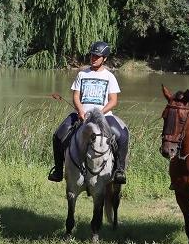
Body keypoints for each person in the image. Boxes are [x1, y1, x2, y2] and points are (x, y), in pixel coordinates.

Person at [48, 41, 129, 184]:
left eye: (97, 56)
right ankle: (59, 170)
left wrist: (100, 113)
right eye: (92, 55)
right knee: (58, 134)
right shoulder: (82, 74)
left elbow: (113, 101)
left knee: (122, 136)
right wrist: (80, 110)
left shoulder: (109, 77)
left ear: (104, 58)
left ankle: (119, 170)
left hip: (104, 116)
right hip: (81, 114)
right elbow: (76, 96)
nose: (93, 58)